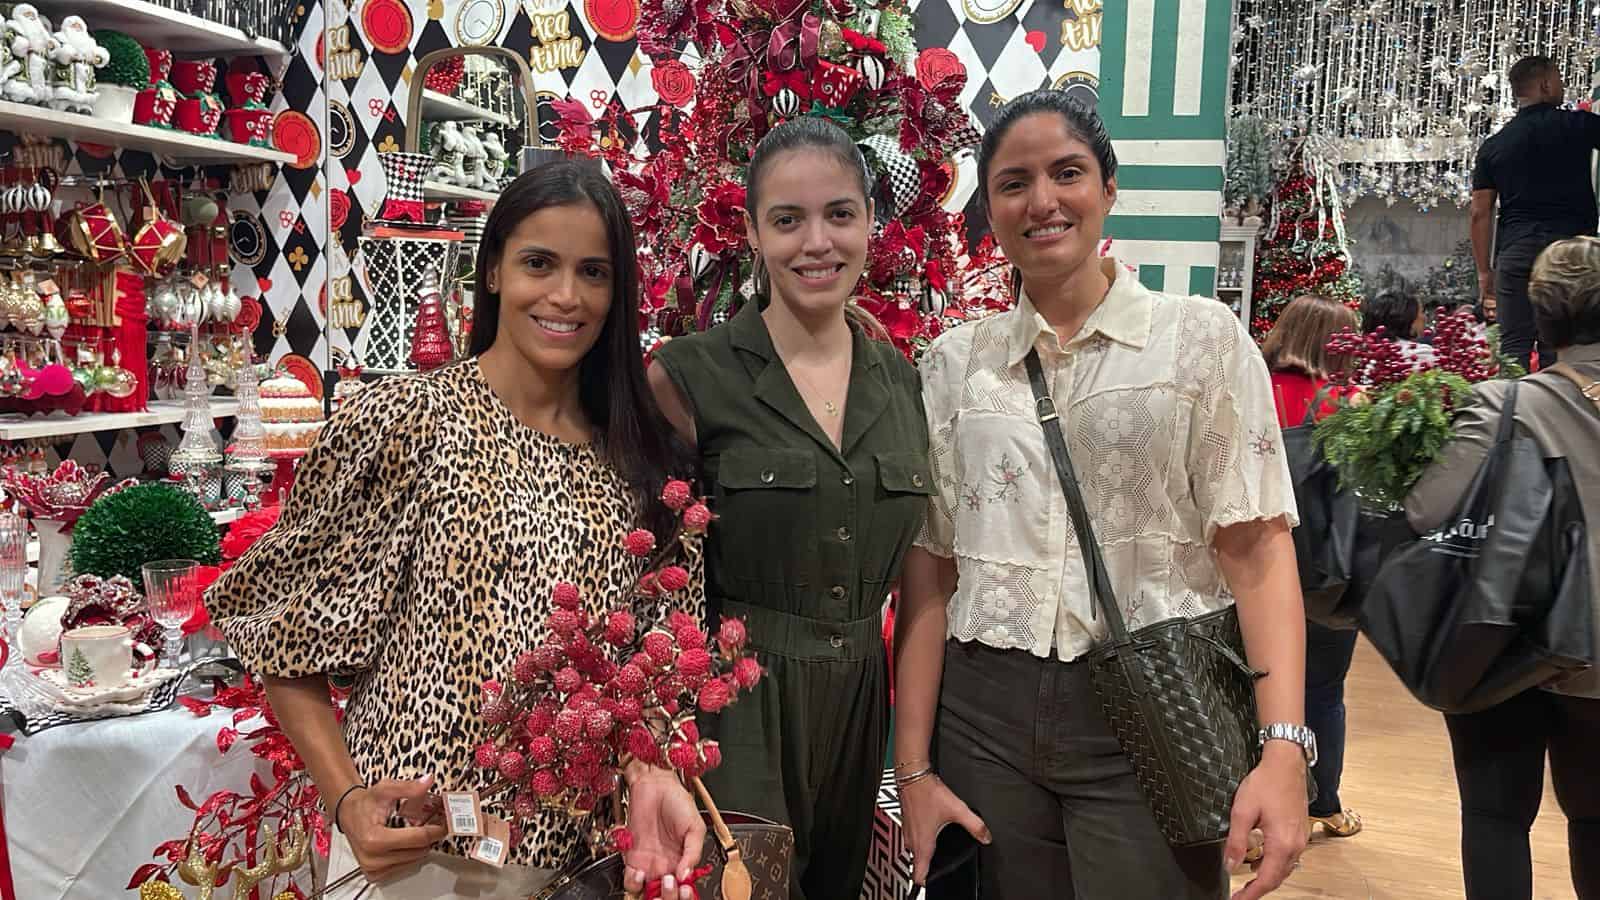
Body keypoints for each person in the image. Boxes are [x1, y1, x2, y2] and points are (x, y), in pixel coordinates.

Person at [209, 162, 707, 900]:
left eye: (593, 272)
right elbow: (280, 634)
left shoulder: (640, 458)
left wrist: (655, 767)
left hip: (589, 861)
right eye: (540, 262)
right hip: (422, 854)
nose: (566, 296)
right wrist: (347, 800)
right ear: (495, 270)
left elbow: (665, 657)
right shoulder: (406, 420)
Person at [894, 89, 1311, 900]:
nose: (1042, 200)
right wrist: (912, 770)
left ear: (1108, 187)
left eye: (1067, 173)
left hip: (1152, 710)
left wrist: (1284, 747)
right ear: (990, 206)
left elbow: (1257, 552)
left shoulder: (1198, 341)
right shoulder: (952, 365)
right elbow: (931, 571)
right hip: (985, 712)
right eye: (1014, 182)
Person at [648, 117, 931, 900]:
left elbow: (923, 580)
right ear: (751, 232)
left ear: (871, 221)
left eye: (840, 214)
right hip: (733, 709)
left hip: (861, 711)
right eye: (787, 219)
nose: (817, 243)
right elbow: (642, 581)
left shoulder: (902, 382)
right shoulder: (687, 377)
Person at [1408, 235, 1600, 900]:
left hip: (1503, 643)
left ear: (1540, 319)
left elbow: (1429, 511)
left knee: (1495, 818)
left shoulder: (1501, 404)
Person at [1260, 294, 1365, 842]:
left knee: (1248, 688)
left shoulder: (1254, 391)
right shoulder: (1350, 405)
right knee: (1324, 691)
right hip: (1328, 575)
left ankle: (1246, 813)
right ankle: (1324, 804)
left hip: (1254, 571)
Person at [1472, 55, 1600, 371]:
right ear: (1545, 84)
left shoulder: (1494, 145)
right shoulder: (1578, 126)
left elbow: (1479, 212)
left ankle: (1511, 417)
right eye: (1558, 79)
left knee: (1513, 347)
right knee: (1560, 350)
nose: (1562, 85)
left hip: (1516, 254)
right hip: (1568, 257)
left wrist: (1485, 272)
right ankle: (1554, 415)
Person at [1361, 288, 1436, 368]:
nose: (1424, 317)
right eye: (1422, 312)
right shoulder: (1421, 354)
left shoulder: (1364, 355)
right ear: (1408, 319)